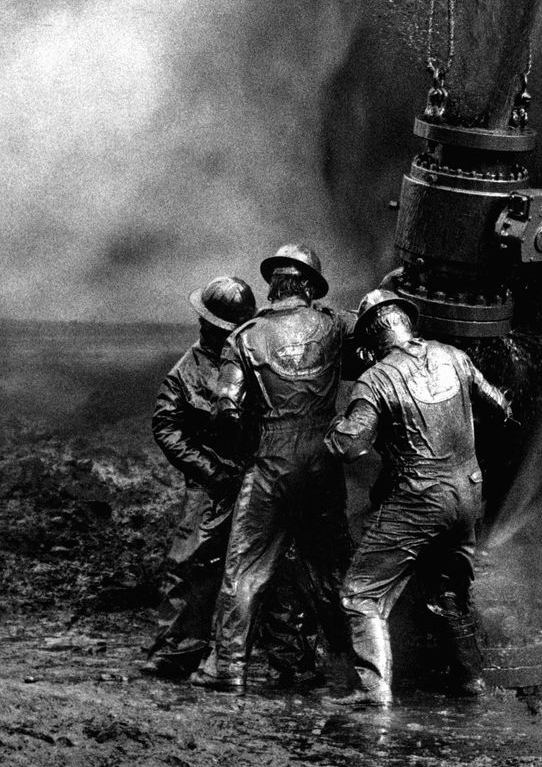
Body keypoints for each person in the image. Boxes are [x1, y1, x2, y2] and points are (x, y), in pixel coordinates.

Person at [325, 289, 511, 708]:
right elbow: (499, 406)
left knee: (360, 593)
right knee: (448, 590)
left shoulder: (376, 378)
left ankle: (371, 693)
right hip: (468, 492)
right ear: (409, 324)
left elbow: (350, 445)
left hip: (420, 497)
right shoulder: (454, 356)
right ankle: (470, 682)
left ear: (371, 339)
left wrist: (332, 425)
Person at [196, 243, 356, 690]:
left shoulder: (243, 336)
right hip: (323, 462)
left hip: (271, 460)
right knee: (329, 570)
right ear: (309, 286)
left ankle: (228, 667)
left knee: (244, 568)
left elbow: (224, 408)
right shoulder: (335, 324)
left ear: (273, 285)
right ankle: (351, 669)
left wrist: (245, 448)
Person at [142, 276, 257, 679]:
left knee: (272, 567)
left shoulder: (254, 356)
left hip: (257, 475)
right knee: (189, 564)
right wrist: (212, 472)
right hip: (210, 482)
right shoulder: (184, 372)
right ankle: (177, 651)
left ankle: (281, 656)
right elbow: (167, 429)